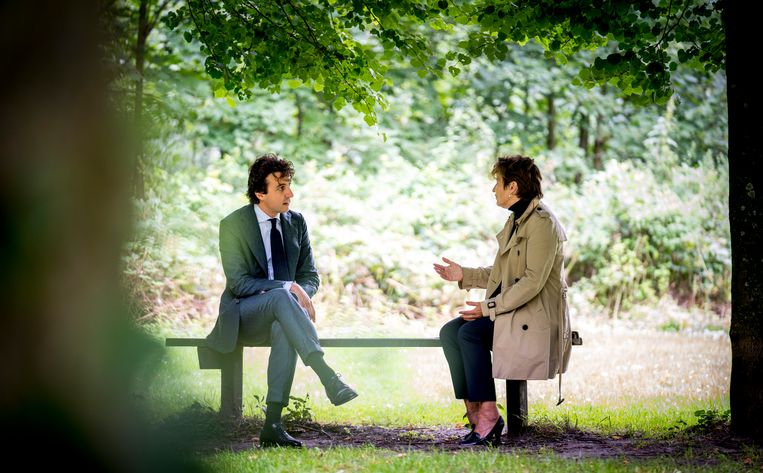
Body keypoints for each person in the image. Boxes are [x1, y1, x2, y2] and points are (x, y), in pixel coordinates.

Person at [205, 154, 357, 448]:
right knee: (280, 297)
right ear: (260, 193)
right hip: (243, 315)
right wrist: (288, 288)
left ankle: (272, 424)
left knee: (284, 323)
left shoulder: (296, 222)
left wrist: (299, 294)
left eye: (289, 185)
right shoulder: (233, 225)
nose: (290, 193)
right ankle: (327, 376)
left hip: (283, 315)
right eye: (282, 187)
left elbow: (310, 276)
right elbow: (239, 283)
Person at [434, 154, 571, 447]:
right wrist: (463, 274)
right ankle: (475, 410)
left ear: (513, 187)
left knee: (470, 333)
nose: (493, 189)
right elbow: (498, 275)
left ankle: (488, 416)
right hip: (511, 311)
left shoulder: (543, 224)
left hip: (533, 316)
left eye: (497, 182)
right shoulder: (517, 221)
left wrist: (488, 307)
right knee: (450, 332)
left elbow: (533, 282)